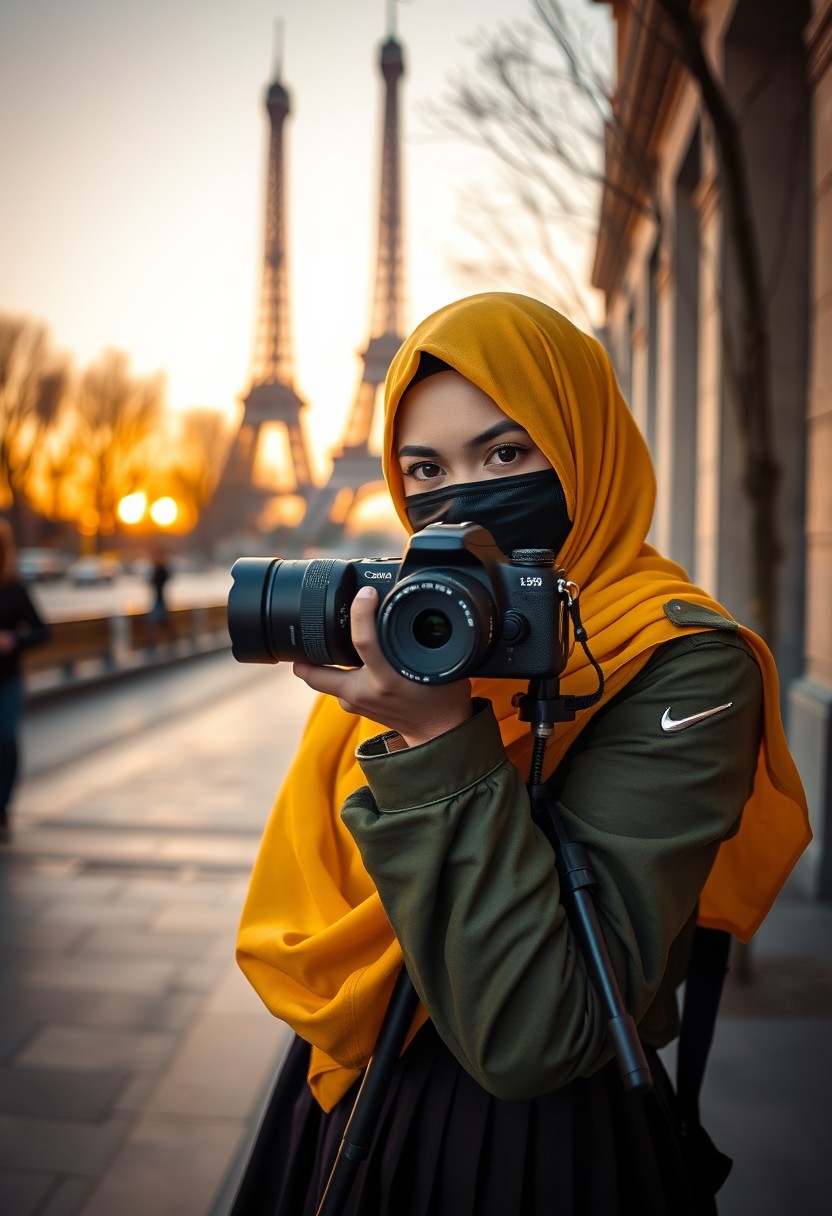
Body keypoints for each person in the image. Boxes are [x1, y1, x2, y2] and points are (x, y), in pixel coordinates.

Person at [231, 294, 810, 1215]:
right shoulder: (401, 642)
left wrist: (437, 737)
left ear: (585, 446)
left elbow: (538, 1034)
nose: (461, 499)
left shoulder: (684, 660)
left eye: (505, 453)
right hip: (341, 1095)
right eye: (423, 467)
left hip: (529, 1145)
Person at [0, 520, 50, 836]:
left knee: (5, 740)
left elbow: (43, 631)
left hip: (8, 679)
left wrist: (14, 641)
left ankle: (2, 807)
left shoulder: (15, 589)